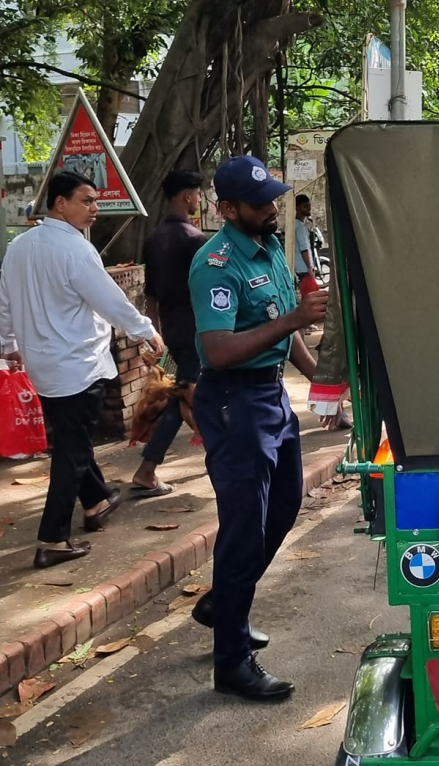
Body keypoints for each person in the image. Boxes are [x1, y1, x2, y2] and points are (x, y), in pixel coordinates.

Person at [188, 155, 328, 702]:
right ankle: (232, 663)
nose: (273, 208)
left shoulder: (269, 246)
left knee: (286, 505)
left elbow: (281, 327)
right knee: (245, 526)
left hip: (269, 396)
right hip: (232, 401)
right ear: (227, 209)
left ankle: (224, 603)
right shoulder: (215, 264)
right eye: (261, 202)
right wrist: (294, 321)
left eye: (273, 198)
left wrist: (323, 383)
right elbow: (217, 351)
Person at [0, 171, 165, 568]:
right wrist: (146, 331)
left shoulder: (19, 246)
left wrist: (8, 345)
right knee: (72, 452)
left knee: (72, 440)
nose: (95, 208)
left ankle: (96, 501)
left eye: (95, 201)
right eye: (86, 200)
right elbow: (110, 299)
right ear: (60, 203)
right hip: (77, 365)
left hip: (43, 364)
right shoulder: (76, 251)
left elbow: (4, 300)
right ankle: (52, 538)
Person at [133, 169, 207, 496]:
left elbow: (150, 293)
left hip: (172, 332)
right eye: (198, 194)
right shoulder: (195, 240)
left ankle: (148, 466)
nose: (199, 200)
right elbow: (208, 290)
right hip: (198, 331)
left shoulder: (154, 239)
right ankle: (223, 453)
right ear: (188, 196)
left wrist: (155, 334)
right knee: (193, 394)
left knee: (181, 395)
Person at [293, 193, 320, 297]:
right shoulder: (299, 226)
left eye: (309, 206)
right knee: (310, 297)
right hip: (304, 268)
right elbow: (304, 248)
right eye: (305, 206)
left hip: (299, 267)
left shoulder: (296, 224)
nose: (308, 209)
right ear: (297, 208)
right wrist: (309, 267)